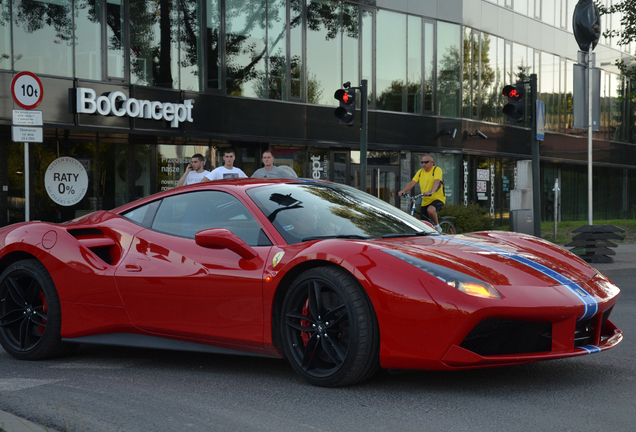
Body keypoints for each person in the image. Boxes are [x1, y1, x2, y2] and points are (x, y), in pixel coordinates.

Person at [398, 153, 446, 233]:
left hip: (437, 199)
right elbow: (412, 183)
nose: (423, 164)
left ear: (432, 162)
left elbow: (436, 182)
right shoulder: (420, 172)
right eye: (422, 162)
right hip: (425, 201)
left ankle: (437, 226)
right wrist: (403, 191)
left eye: (426, 162)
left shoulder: (436, 170)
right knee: (423, 226)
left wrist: (431, 192)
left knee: (430, 210)